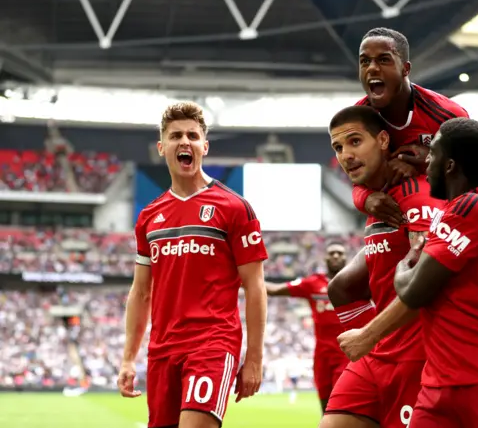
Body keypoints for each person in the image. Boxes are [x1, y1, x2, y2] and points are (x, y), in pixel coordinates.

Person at [338, 118, 478, 428]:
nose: (424, 163)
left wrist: (404, 264)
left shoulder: (473, 208)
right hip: (440, 384)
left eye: (431, 154)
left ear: (449, 166)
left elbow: (414, 290)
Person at [117, 102, 268, 428]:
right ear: (162, 147)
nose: (184, 141)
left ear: (204, 146)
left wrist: (253, 357)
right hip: (162, 352)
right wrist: (128, 358)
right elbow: (141, 291)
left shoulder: (234, 208)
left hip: (212, 344)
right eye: (175, 136)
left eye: (192, 135)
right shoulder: (148, 218)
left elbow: (255, 287)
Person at [320, 105, 446, 428]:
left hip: (417, 357)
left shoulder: (416, 195)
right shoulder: (378, 197)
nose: (346, 154)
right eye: (338, 147)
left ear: (384, 140)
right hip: (378, 354)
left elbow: (427, 284)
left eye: (355, 142)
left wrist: (367, 334)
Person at [353, 27, 469, 227]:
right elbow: (357, 181)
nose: (371, 68)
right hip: (392, 223)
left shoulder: (447, 115)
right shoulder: (358, 119)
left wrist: (432, 161)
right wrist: (366, 200)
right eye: (365, 61)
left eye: (383, 59)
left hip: (445, 224)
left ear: (405, 69)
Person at [265, 242, 350, 412]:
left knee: (342, 407)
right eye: (332, 253)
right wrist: (244, 278)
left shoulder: (357, 281)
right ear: (325, 257)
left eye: (339, 253)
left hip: (347, 354)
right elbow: (274, 290)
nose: (335, 256)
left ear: (346, 258)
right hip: (322, 356)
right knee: (325, 407)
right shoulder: (313, 283)